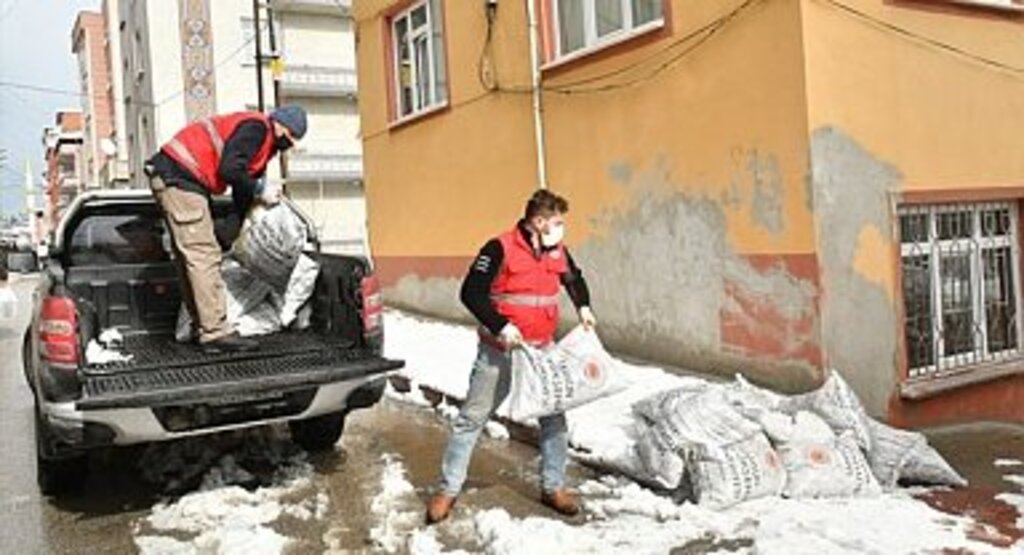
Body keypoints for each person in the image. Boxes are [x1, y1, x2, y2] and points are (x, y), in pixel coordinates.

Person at [426, 189, 597, 524]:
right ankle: (447, 490)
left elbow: (573, 279)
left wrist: (584, 306)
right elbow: (471, 292)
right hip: (500, 350)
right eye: (557, 222)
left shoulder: (556, 251)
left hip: (542, 350)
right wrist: (500, 325)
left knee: (554, 418)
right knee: (472, 418)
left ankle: (553, 487)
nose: (562, 229)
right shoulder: (499, 248)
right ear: (538, 222)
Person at [145, 105, 307, 353]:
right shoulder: (257, 129)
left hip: (181, 177)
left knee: (194, 255)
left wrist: (233, 230)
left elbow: (242, 188)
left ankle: (202, 326)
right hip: (179, 175)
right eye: (290, 138)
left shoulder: (266, 147)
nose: (288, 144)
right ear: (281, 126)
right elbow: (230, 170)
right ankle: (215, 333)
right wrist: (260, 189)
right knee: (203, 255)